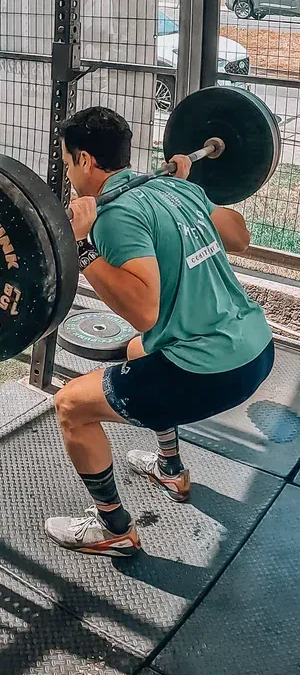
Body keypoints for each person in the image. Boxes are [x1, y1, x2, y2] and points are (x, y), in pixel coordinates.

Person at [45, 105, 273, 558]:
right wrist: (189, 191)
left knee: (70, 404)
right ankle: (170, 468)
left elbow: (145, 311)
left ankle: (113, 527)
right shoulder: (173, 188)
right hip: (257, 348)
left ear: (85, 161)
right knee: (137, 351)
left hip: (212, 372)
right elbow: (240, 236)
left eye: (68, 161)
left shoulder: (113, 217)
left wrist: (82, 244)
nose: (69, 171)